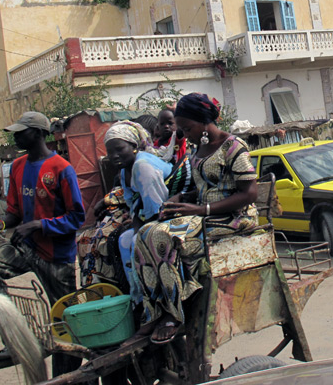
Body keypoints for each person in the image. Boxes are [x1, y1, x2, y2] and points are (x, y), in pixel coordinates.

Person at [131, 93, 258, 345]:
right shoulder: (198, 148)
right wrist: (180, 198)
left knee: (163, 237)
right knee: (143, 235)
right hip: (205, 214)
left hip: (233, 218)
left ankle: (173, 314)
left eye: (187, 128)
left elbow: (249, 193)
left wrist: (203, 210)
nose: (184, 134)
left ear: (202, 121)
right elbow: (203, 186)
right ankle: (153, 312)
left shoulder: (233, 147)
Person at [0, 111, 85, 375]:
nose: (15, 136)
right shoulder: (18, 166)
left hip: (57, 256)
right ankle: (16, 339)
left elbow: (77, 217)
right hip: (26, 248)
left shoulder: (61, 168)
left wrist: (39, 225)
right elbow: (13, 212)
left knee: (66, 321)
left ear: (37, 134)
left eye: (21, 132)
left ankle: (66, 376)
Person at [104, 121, 172, 307]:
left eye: (119, 149)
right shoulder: (125, 169)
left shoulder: (143, 166)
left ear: (134, 146)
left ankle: (158, 299)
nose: (114, 156)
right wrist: (134, 225)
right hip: (146, 217)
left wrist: (137, 229)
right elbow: (133, 205)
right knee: (123, 240)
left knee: (135, 242)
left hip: (166, 215)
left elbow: (156, 208)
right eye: (110, 152)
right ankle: (139, 299)